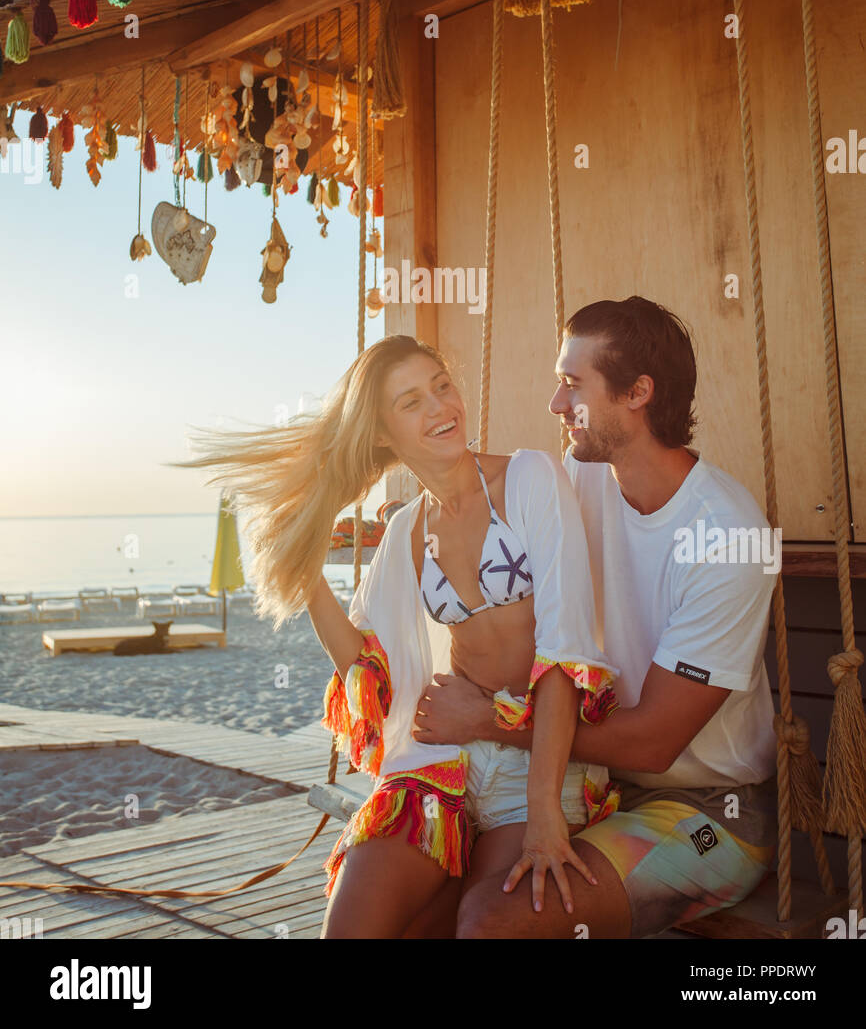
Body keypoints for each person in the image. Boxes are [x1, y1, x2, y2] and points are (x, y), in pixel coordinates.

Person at [182, 334, 619, 939]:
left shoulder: (529, 480)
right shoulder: (407, 532)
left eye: (442, 386)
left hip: (535, 768)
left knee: (480, 927)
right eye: (411, 401)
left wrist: (546, 810)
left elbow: (567, 653)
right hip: (442, 765)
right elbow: (366, 665)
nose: (440, 407)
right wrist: (303, 571)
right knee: (355, 926)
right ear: (383, 433)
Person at [413, 297, 779, 940]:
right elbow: (470, 496)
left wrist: (489, 719)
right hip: (585, 780)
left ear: (638, 393)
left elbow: (653, 744)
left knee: (496, 923)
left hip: (703, 816)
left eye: (573, 385)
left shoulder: (727, 533)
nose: (556, 404)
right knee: (410, 903)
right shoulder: (576, 484)